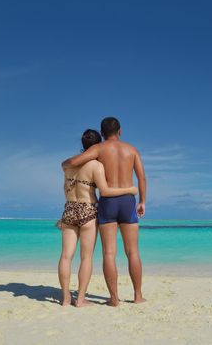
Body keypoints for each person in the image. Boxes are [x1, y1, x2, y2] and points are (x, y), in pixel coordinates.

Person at [62, 117, 146, 306]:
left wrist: (65, 163)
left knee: (109, 253)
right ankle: (138, 296)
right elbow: (142, 178)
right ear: (120, 131)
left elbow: (74, 162)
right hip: (128, 201)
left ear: (102, 132)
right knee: (133, 251)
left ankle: (114, 299)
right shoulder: (132, 150)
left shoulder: (98, 149)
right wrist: (142, 201)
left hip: (108, 201)